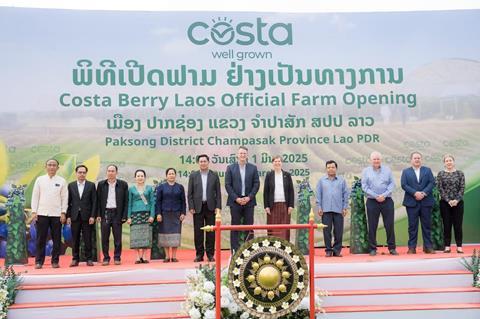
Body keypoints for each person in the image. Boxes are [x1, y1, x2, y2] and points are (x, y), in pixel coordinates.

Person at [31, 159, 68, 269]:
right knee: (40, 239)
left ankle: (55, 261)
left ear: (58, 167)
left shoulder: (62, 181)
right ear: (45, 167)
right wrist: (34, 211)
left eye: (54, 165)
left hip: (57, 215)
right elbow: (35, 196)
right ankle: (39, 262)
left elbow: (64, 198)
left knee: (57, 239)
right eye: (49, 165)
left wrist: (63, 212)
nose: (52, 167)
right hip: (42, 214)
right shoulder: (40, 180)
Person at [361, 151, 398, 256]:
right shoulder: (366, 171)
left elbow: (392, 184)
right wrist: (376, 196)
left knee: (389, 225)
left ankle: (392, 248)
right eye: (374, 159)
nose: (376, 161)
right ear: (371, 160)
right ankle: (372, 248)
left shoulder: (387, 170)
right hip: (372, 201)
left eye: (378, 159)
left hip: (387, 200)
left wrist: (384, 195)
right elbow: (364, 186)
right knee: (372, 225)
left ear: (381, 160)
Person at [225, 146, 260, 253]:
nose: (242, 155)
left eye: (244, 153)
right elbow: (227, 185)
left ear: (247, 155)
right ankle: (235, 251)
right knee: (235, 227)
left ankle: (249, 250)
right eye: (241, 153)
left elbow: (256, 184)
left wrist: (249, 197)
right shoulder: (230, 168)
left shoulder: (253, 168)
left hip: (249, 201)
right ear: (237, 155)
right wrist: (236, 198)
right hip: (235, 202)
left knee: (249, 227)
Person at [188, 155, 222, 262]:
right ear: (198, 163)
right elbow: (190, 193)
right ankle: (199, 254)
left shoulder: (214, 175)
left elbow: (218, 193)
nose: (203, 163)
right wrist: (191, 206)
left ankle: (210, 254)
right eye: (201, 161)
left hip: (210, 207)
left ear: (208, 162)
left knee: (211, 232)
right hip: (197, 207)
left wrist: (218, 207)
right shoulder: (193, 175)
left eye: (205, 161)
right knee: (198, 232)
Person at [401, 152, 436, 254]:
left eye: (419, 158)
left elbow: (431, 182)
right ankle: (412, 248)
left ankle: (428, 247)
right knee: (412, 226)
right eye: (415, 158)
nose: (417, 160)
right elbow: (404, 185)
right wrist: (415, 193)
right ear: (411, 160)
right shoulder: (406, 172)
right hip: (411, 202)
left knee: (427, 225)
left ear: (421, 159)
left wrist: (424, 193)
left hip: (426, 202)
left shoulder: (427, 170)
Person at [315, 160, 349, 257]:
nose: (331, 169)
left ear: (336, 168)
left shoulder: (341, 180)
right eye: (329, 167)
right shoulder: (322, 181)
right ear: (326, 169)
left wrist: (345, 207)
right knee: (326, 231)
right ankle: (328, 250)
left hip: (338, 210)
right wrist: (319, 207)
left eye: (332, 167)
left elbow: (345, 195)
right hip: (325, 210)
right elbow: (318, 195)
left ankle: (337, 250)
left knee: (338, 231)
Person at [97, 164, 129, 265]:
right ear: (106, 172)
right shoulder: (101, 184)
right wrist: (98, 214)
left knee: (117, 237)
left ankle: (117, 257)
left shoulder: (123, 184)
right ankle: (106, 257)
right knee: (105, 237)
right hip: (105, 213)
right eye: (109, 171)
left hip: (117, 213)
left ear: (116, 172)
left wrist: (124, 215)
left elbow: (126, 201)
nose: (111, 173)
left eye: (113, 171)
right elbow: (97, 200)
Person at [66, 164, 97, 267]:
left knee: (88, 238)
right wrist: (68, 216)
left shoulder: (91, 185)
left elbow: (94, 202)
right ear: (76, 173)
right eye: (80, 172)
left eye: (84, 172)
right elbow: (68, 202)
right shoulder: (71, 185)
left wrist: (93, 216)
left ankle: (89, 259)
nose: (82, 174)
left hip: (87, 217)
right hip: (75, 216)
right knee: (75, 239)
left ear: (86, 173)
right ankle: (75, 259)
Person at [436, 154, 465, 254]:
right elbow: (440, 189)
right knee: (447, 225)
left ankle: (459, 246)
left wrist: (456, 200)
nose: (449, 162)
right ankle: (447, 246)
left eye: (450, 160)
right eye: (447, 161)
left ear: (454, 162)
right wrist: (448, 200)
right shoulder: (441, 174)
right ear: (444, 163)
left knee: (458, 225)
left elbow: (462, 188)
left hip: (458, 203)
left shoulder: (460, 173)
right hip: (445, 203)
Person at [156, 168, 186, 262]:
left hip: (176, 214)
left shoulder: (180, 187)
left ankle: (173, 256)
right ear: (166, 176)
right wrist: (158, 214)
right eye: (169, 174)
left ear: (175, 175)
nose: (171, 175)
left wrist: (183, 213)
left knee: (175, 234)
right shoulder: (161, 187)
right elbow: (158, 202)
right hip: (164, 214)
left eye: (173, 173)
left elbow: (183, 201)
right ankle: (167, 256)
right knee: (165, 234)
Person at [263, 155, 294, 241]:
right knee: (273, 228)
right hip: (272, 206)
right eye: (275, 161)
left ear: (281, 163)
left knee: (284, 229)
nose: (277, 163)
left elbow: (291, 191)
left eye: (279, 161)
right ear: (272, 163)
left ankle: (284, 248)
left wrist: (291, 205)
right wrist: (266, 206)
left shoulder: (287, 175)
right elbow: (266, 192)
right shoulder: (269, 175)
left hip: (285, 206)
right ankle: (272, 248)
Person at [127, 169, 155, 264]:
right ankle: (137, 258)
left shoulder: (149, 188)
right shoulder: (131, 189)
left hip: (146, 214)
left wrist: (152, 215)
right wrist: (128, 217)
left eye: (142, 176)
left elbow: (152, 203)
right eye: (138, 176)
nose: (140, 177)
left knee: (146, 235)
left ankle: (144, 257)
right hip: (135, 215)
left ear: (145, 177)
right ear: (135, 178)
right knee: (136, 236)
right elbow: (129, 203)